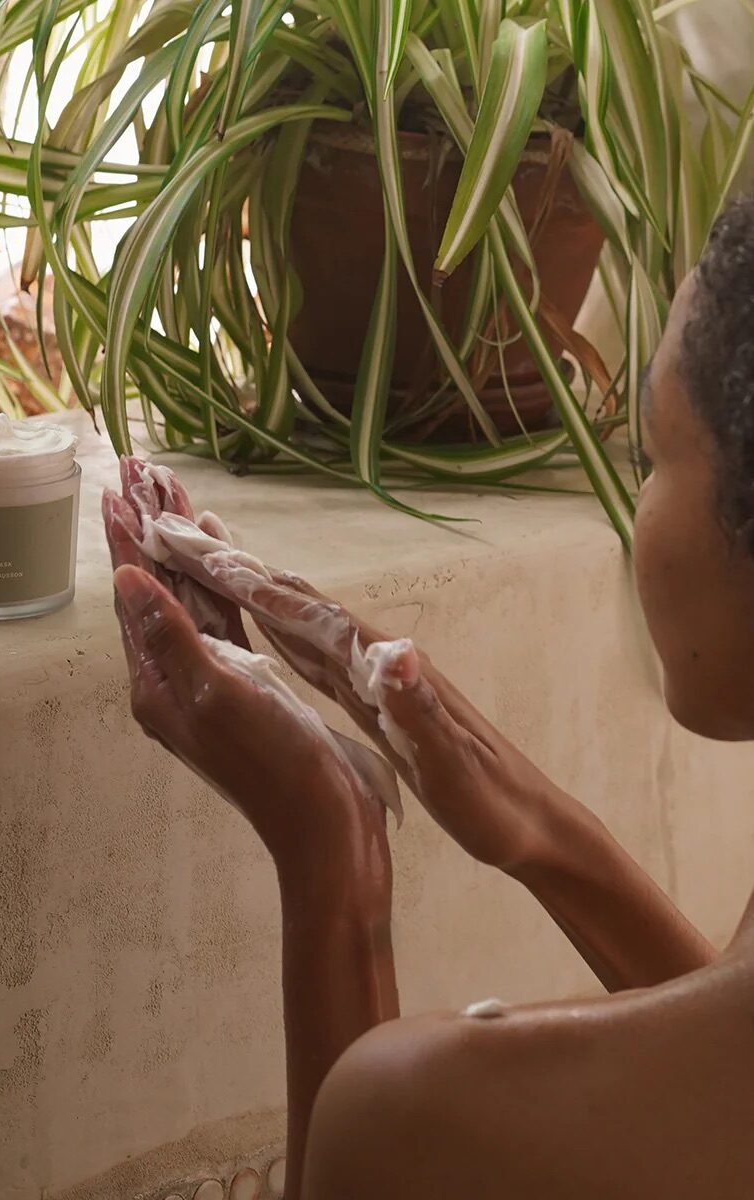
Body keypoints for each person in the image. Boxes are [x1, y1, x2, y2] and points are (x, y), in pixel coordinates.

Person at [102, 197, 754, 1199]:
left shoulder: (409, 1106)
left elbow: (382, 1140)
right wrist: (537, 829)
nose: (638, 504)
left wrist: (329, 838)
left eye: (653, 455)